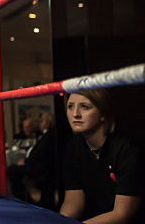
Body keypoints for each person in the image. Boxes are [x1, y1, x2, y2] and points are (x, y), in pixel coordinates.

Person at [59, 89, 143, 223]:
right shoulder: (74, 147)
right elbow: (73, 202)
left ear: (103, 113)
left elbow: (122, 213)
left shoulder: (126, 149)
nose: (75, 114)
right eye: (70, 106)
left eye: (84, 107)